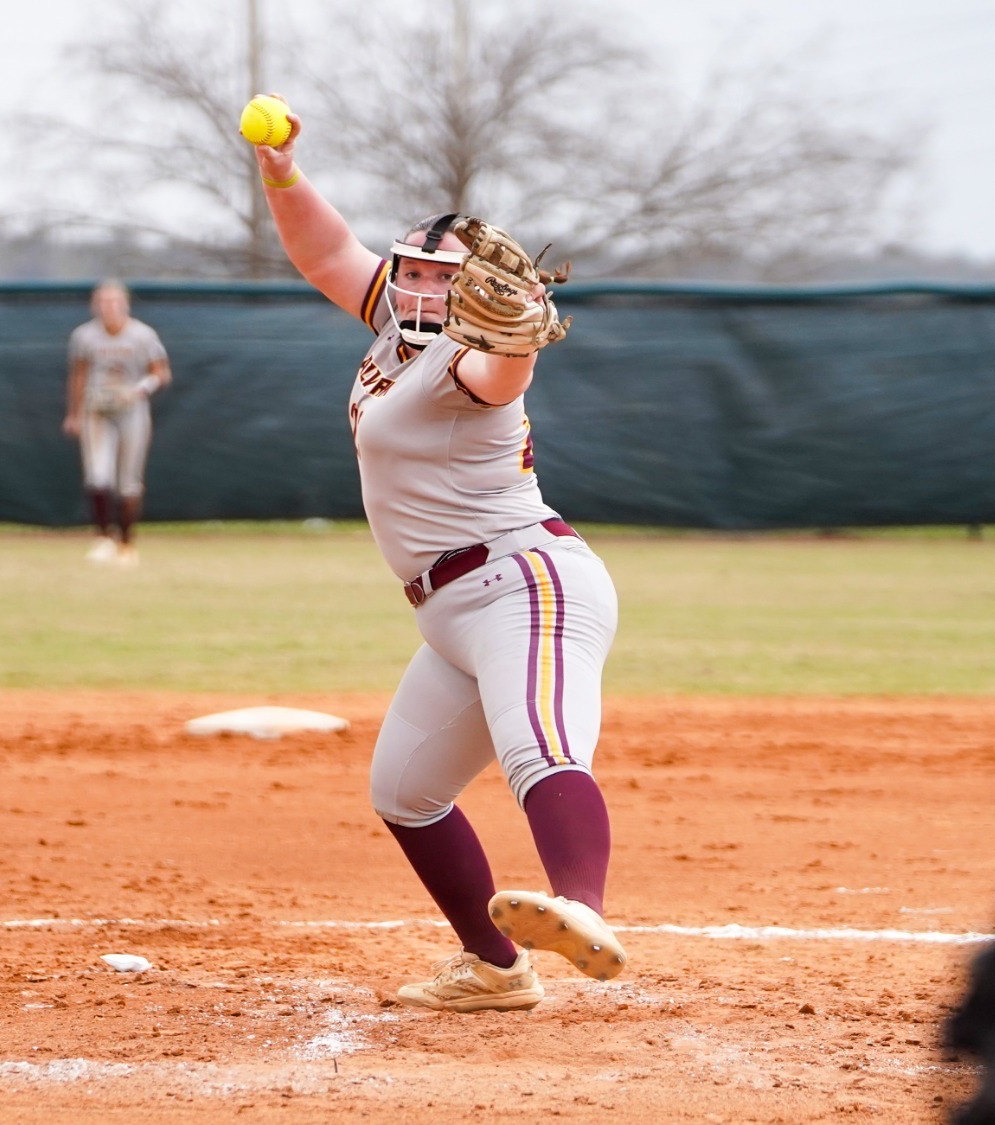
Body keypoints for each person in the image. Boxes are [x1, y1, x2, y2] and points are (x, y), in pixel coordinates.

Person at [253, 99, 624, 1013]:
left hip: (523, 582)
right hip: (449, 606)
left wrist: (512, 333)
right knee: (406, 790)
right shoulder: (396, 328)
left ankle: (585, 908)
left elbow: (505, 375)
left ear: (477, 291)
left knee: (539, 746)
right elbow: (325, 255)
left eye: (433, 274)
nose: (413, 285)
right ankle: (497, 968)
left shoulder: (469, 356)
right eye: (410, 267)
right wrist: (283, 173)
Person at [63, 280, 170, 566]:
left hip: (130, 409)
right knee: (98, 474)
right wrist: (73, 413)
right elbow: (78, 375)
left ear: (125, 304)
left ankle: (127, 544)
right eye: (103, 302)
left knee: (129, 481)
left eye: (114, 301)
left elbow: (161, 373)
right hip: (96, 409)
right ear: (94, 305)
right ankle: (103, 539)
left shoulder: (142, 335)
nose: (108, 307)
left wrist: (139, 389)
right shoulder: (85, 336)